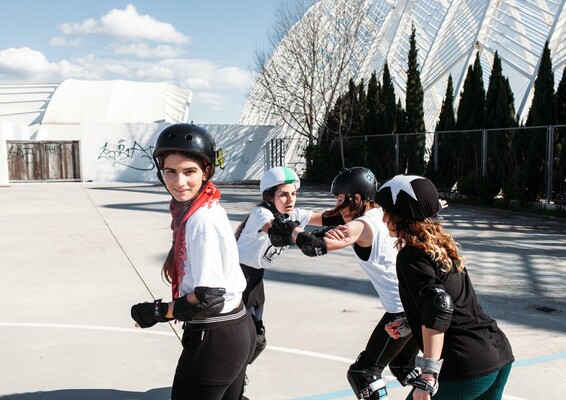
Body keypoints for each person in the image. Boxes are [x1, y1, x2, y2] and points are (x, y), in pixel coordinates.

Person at [269, 166, 420, 400]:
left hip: (400, 312)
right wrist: (294, 215)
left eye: (340, 199)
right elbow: (331, 216)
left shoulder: (360, 226)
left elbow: (315, 247)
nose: (337, 205)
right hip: (417, 306)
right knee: (403, 366)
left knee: (364, 373)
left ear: (356, 198)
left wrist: (291, 230)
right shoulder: (382, 212)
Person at [130, 123, 256, 400]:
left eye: (189, 172)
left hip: (216, 337)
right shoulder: (204, 205)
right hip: (234, 327)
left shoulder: (201, 220)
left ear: (206, 171)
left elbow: (209, 298)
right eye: (170, 172)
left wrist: (157, 312)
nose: (178, 182)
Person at [375, 174, 514, 400]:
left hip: (463, 367)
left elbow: (439, 307)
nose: (383, 220)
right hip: (496, 354)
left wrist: (428, 375)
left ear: (400, 217)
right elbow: (451, 302)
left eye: (386, 213)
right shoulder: (442, 245)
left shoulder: (411, 256)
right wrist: (412, 322)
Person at [234, 166, 333, 365]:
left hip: (255, 279)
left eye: (294, 194)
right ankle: (231, 378)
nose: (290, 200)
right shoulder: (260, 213)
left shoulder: (292, 213)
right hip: (236, 279)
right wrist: (300, 235)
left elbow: (325, 217)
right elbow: (276, 229)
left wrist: (353, 216)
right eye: (284, 195)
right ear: (270, 197)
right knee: (244, 340)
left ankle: (236, 375)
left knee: (257, 339)